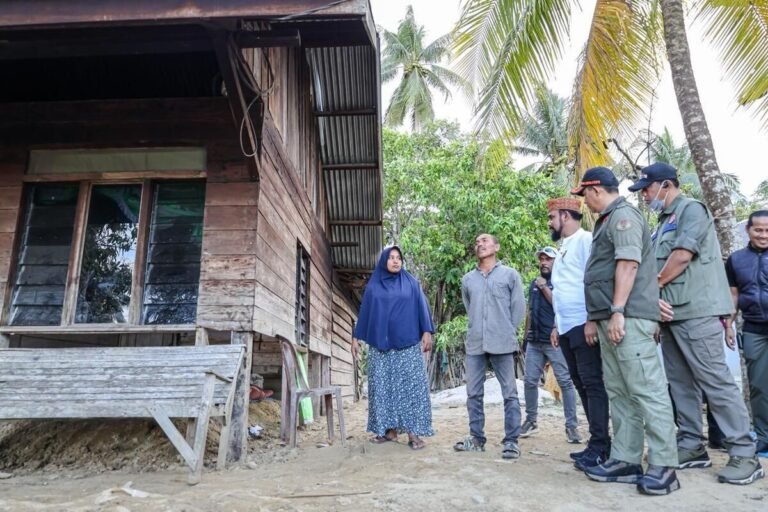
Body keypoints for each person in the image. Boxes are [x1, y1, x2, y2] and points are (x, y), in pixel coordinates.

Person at [630, 162, 764, 485]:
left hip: (697, 311)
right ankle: (691, 443)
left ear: (664, 185)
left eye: (647, 189)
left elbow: (681, 256)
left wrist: (651, 290)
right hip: (671, 313)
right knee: (680, 384)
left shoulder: (692, 210)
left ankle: (744, 452)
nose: (645, 196)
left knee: (715, 381)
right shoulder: (662, 222)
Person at [573, 167, 680, 495]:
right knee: (621, 392)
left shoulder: (624, 217)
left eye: (585, 196)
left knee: (647, 390)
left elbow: (628, 263)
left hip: (628, 317)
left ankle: (665, 465)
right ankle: (626, 458)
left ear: (595, 190)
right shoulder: (607, 220)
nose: (585, 203)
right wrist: (600, 316)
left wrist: (617, 310)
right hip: (612, 318)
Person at [547, 196, 611, 470]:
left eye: (552, 217)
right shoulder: (562, 247)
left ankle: (602, 446)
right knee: (581, 384)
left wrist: (593, 319)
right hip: (566, 326)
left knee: (593, 384)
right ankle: (595, 443)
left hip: (583, 324)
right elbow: (564, 288)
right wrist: (555, 325)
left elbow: (595, 281)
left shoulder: (586, 240)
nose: (550, 222)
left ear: (565, 215)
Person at [351, 245, 434, 450]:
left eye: (399, 258)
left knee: (410, 388)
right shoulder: (374, 286)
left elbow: (421, 308)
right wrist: (356, 337)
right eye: (391, 257)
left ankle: (413, 434)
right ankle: (390, 431)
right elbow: (365, 313)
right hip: (380, 346)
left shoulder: (411, 283)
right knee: (383, 388)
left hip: (407, 344)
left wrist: (426, 331)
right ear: (384, 261)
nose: (396, 261)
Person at [454, 233, 525, 459]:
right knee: (473, 393)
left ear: (497, 246)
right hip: (475, 343)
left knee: (510, 393)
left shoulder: (510, 275)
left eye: (484, 241)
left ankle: (511, 441)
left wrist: (507, 330)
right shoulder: (468, 280)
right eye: (476, 242)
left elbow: (518, 308)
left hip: (503, 342)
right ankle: (476, 438)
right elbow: (469, 306)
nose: (479, 244)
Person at [520, 246, 581, 444]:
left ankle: (571, 426)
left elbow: (560, 306)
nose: (544, 263)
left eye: (548, 259)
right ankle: (531, 420)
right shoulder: (533, 284)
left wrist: (545, 287)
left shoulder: (562, 282)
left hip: (555, 340)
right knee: (530, 381)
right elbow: (530, 310)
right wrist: (525, 336)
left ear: (556, 262)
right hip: (535, 341)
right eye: (542, 259)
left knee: (565, 382)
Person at [725, 210, 768, 456]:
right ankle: (763, 437)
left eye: (767, 230)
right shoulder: (736, 259)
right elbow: (734, 295)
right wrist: (729, 324)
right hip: (753, 329)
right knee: (759, 386)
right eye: (758, 230)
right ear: (748, 230)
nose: (763, 235)